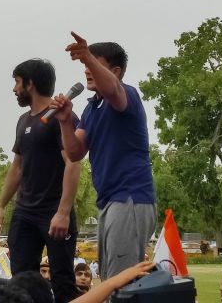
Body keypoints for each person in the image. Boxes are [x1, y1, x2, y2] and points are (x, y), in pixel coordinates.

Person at [50, 32, 156, 280]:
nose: (87, 70)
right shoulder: (91, 108)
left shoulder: (126, 94)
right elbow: (75, 152)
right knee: (110, 279)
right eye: (86, 66)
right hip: (110, 201)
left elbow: (113, 90)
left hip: (130, 197)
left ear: (115, 71)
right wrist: (65, 121)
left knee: (122, 282)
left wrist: (86, 56)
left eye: (95, 65)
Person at [0, 58, 81, 302]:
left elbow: (73, 164)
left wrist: (63, 211)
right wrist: (1, 205)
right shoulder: (24, 120)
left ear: (30, 84)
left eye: (17, 82)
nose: (14, 89)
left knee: (62, 280)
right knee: (20, 281)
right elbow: (17, 167)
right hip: (24, 213)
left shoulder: (61, 116)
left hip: (53, 212)